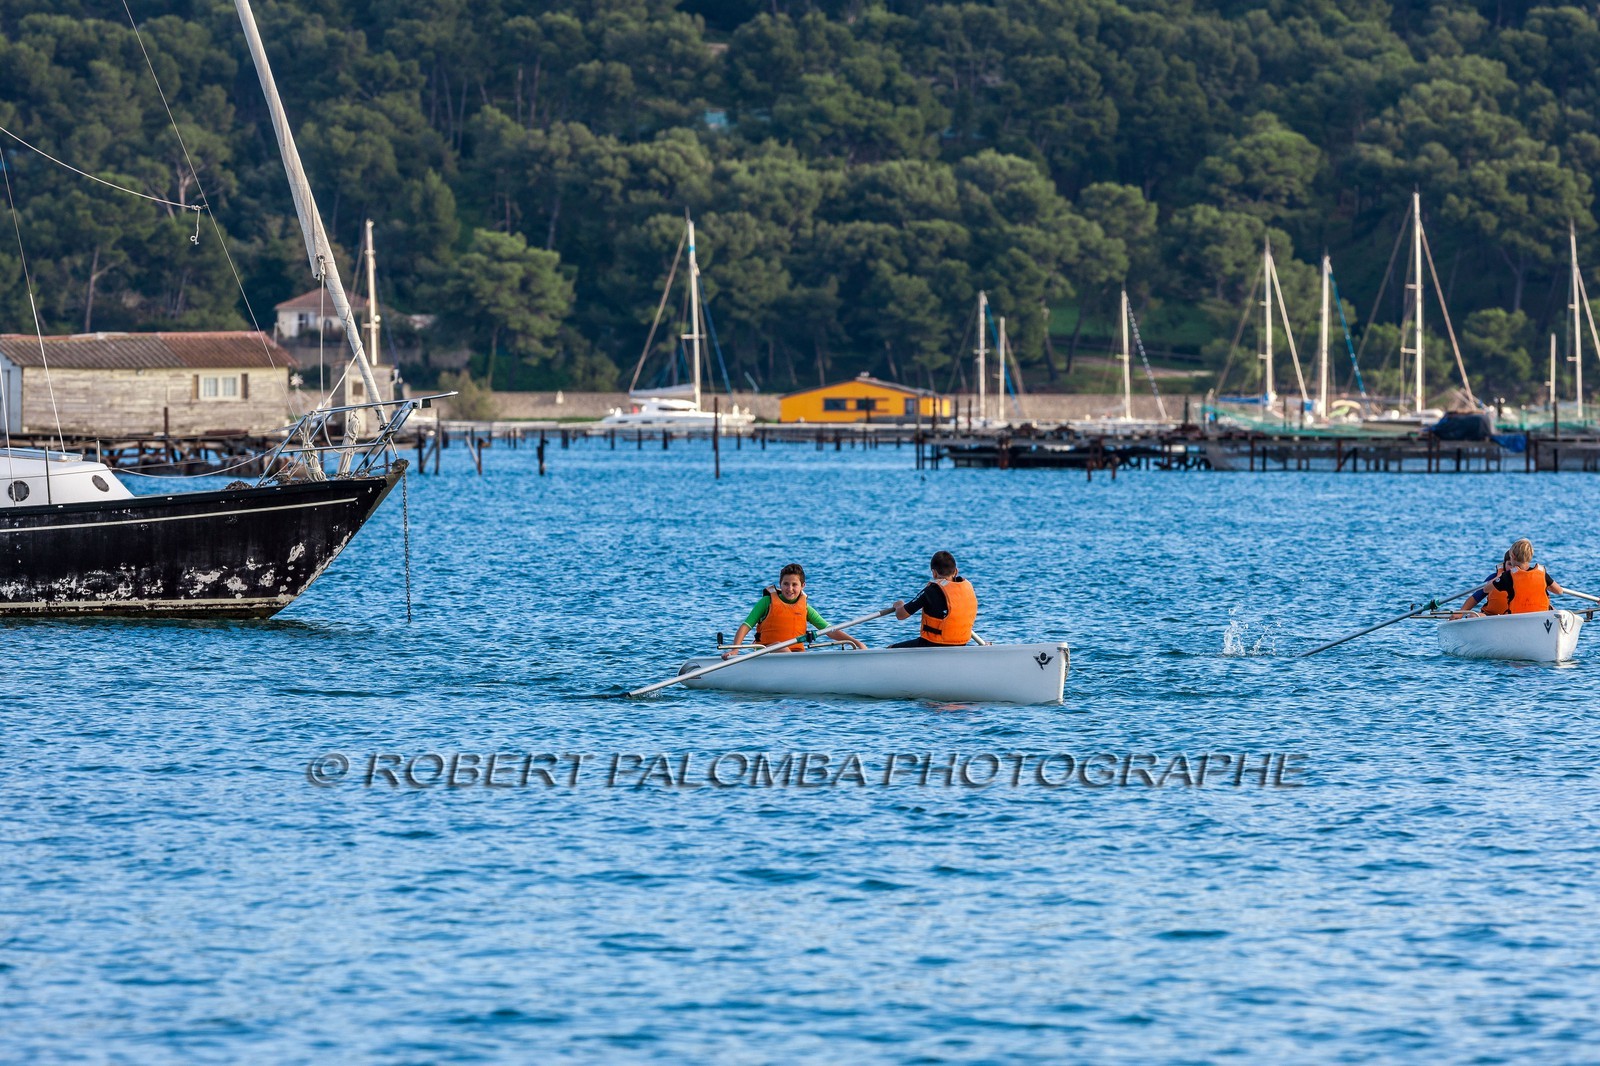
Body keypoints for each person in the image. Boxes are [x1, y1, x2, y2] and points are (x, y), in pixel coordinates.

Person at [722, 563, 867, 659]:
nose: (789, 589)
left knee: (800, 654)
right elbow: (746, 626)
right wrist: (735, 650)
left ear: (802, 586)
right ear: (780, 584)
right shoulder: (766, 602)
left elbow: (830, 631)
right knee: (782, 647)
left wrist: (855, 642)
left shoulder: (805, 608)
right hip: (766, 652)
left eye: (794, 584)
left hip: (795, 656)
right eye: (785, 584)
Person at [890, 551, 978, 648]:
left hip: (933, 644)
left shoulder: (931, 591)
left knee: (891, 648)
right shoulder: (967, 587)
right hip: (961, 643)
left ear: (934, 573)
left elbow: (901, 615)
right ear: (956, 571)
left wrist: (898, 605)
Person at [1491, 538, 1565, 614]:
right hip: (1541, 616)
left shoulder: (1508, 576)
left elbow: (1486, 589)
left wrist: (1500, 574)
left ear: (1512, 556)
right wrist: (1545, 585)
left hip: (1518, 617)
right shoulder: (1542, 574)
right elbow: (1559, 591)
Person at [1455, 550, 1513, 618]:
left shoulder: (1523, 580)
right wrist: (1460, 613)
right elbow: (1476, 597)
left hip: (1515, 617)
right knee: (1473, 616)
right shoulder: (1494, 578)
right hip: (1490, 616)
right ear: (1504, 564)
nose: (1512, 568)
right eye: (1510, 564)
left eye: (1515, 565)